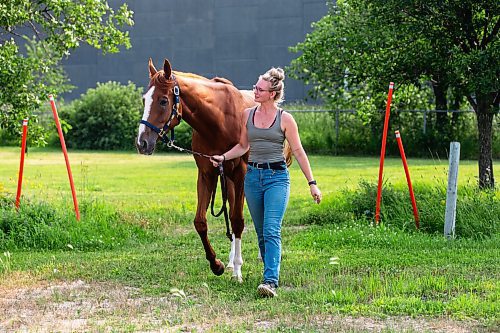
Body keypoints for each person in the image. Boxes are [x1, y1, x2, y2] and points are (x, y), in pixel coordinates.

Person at [210, 67, 321, 298]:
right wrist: (222, 157)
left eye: (259, 89)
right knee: (261, 232)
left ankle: (270, 280)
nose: (254, 91)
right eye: (255, 87)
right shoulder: (247, 115)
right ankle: (270, 266)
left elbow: (299, 152)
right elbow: (242, 146)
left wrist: (312, 182)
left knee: (271, 229)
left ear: (272, 93)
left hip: (277, 178)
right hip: (253, 178)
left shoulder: (285, 119)